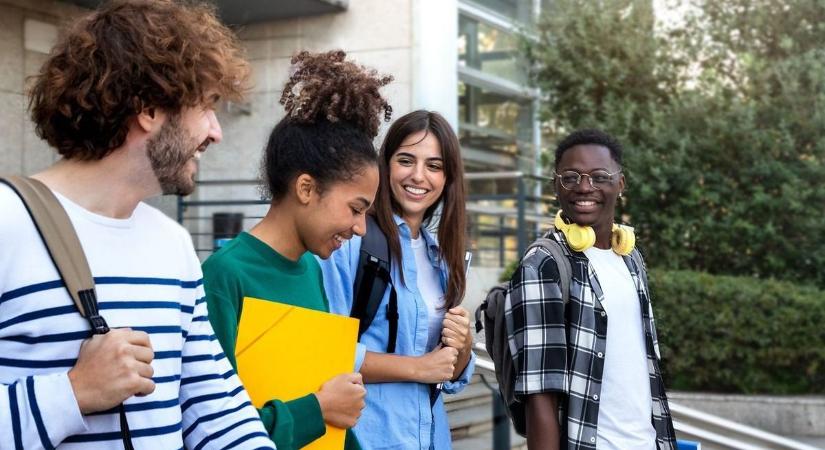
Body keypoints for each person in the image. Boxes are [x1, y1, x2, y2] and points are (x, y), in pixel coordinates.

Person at [0, 1, 275, 449]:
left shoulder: (173, 244)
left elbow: (211, 404)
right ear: (149, 108)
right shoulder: (7, 222)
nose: (215, 131)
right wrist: (73, 393)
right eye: (207, 106)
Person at [201, 50, 393, 450]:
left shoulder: (311, 269)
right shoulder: (223, 276)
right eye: (355, 209)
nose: (360, 228)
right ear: (306, 188)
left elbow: (332, 410)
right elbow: (213, 428)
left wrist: (329, 409)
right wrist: (317, 410)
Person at [507, 129, 677, 449]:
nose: (585, 187)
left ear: (620, 184)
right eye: (570, 177)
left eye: (600, 177)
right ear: (556, 185)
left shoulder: (630, 259)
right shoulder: (543, 264)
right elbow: (540, 391)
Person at [318, 110, 475, 450]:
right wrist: (418, 368)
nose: (418, 176)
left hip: (430, 438)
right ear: (385, 165)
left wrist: (463, 346)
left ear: (447, 177)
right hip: (369, 436)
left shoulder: (441, 258)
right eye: (406, 160)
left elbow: (449, 374)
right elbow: (325, 351)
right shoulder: (351, 242)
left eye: (434, 166)